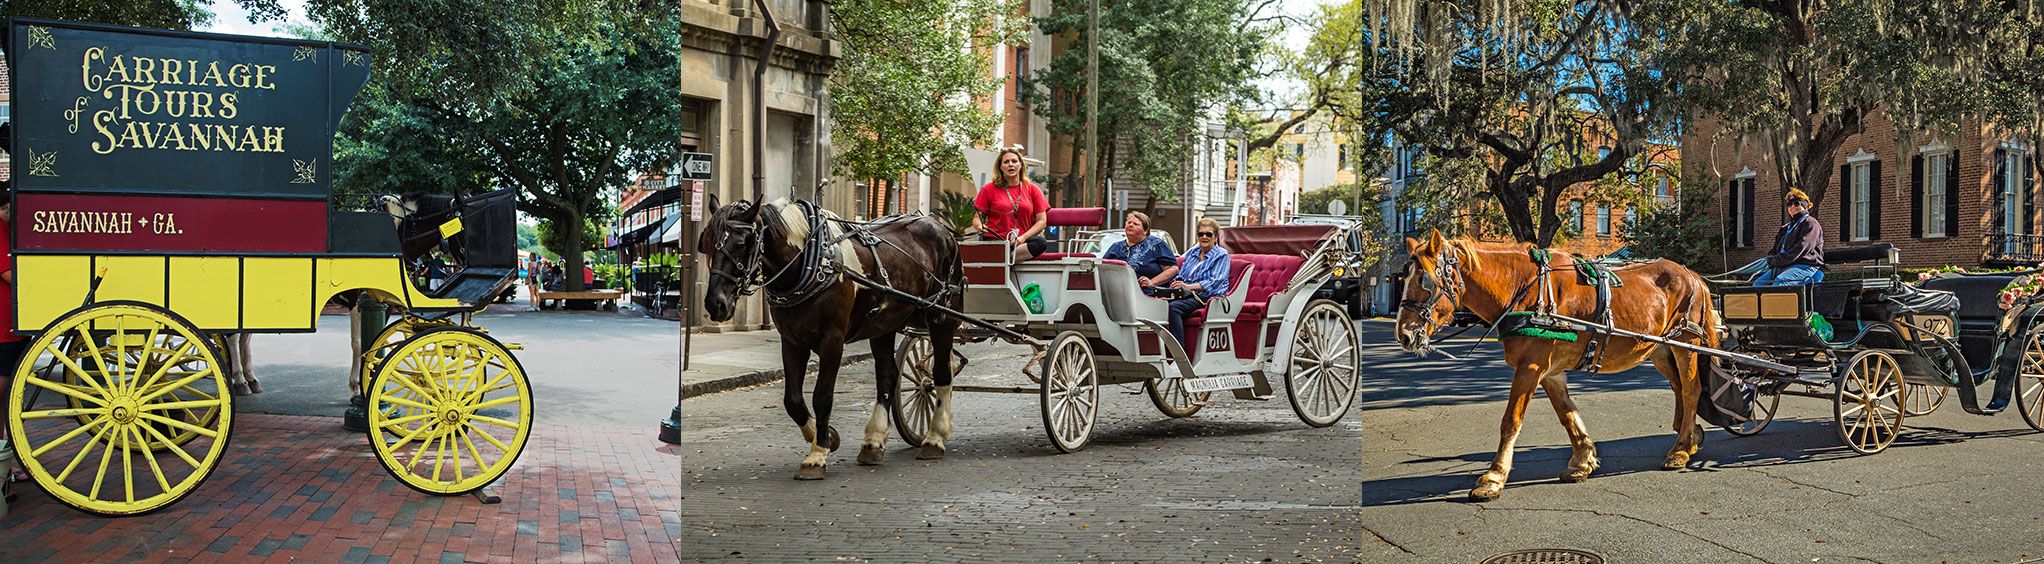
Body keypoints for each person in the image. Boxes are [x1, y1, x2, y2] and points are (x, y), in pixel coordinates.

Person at [972, 146, 1050, 263]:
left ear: (1021, 165)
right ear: (1000, 167)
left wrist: (1022, 238)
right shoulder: (988, 189)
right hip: (996, 240)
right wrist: (979, 226)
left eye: (1014, 161)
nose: (1010, 164)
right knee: (991, 246)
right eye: (1006, 162)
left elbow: (1042, 222)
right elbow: (977, 219)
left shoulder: (1033, 189)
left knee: (1040, 242)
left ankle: (1001, 262)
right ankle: (1004, 260)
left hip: (1021, 242)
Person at [1166, 217, 1231, 353]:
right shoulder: (1192, 253)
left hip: (1208, 297)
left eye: (1209, 234)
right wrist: (1177, 283)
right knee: (1159, 303)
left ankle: (1179, 354)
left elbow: (1215, 282)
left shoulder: (1221, 255)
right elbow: (1182, 274)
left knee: (1174, 308)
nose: (1204, 237)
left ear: (1216, 237)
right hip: (1186, 294)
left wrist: (1188, 287)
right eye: (1201, 234)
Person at [0, 184, 27, 486]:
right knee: (2, 390)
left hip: (11, 325)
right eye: (6, 206)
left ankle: (6, 464)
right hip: (3, 326)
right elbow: (9, 273)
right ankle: (3, 465)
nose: (10, 212)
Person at [1754, 188, 1826, 286]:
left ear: (1805, 206)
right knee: (1758, 284)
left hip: (1806, 266)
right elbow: (1775, 250)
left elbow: (1801, 248)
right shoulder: (1785, 228)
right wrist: (1771, 259)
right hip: (1783, 266)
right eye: (1789, 204)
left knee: (1780, 282)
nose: (1792, 206)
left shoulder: (1810, 223)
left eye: (1796, 203)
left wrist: (1777, 260)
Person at [1102, 211, 1179, 295]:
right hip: (1118, 292)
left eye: (1136, 224)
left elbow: (1172, 269)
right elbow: (1102, 268)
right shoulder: (1116, 246)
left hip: (1148, 293)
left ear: (1145, 231)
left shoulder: (1156, 244)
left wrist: (1152, 282)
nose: (1131, 225)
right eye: (1129, 222)